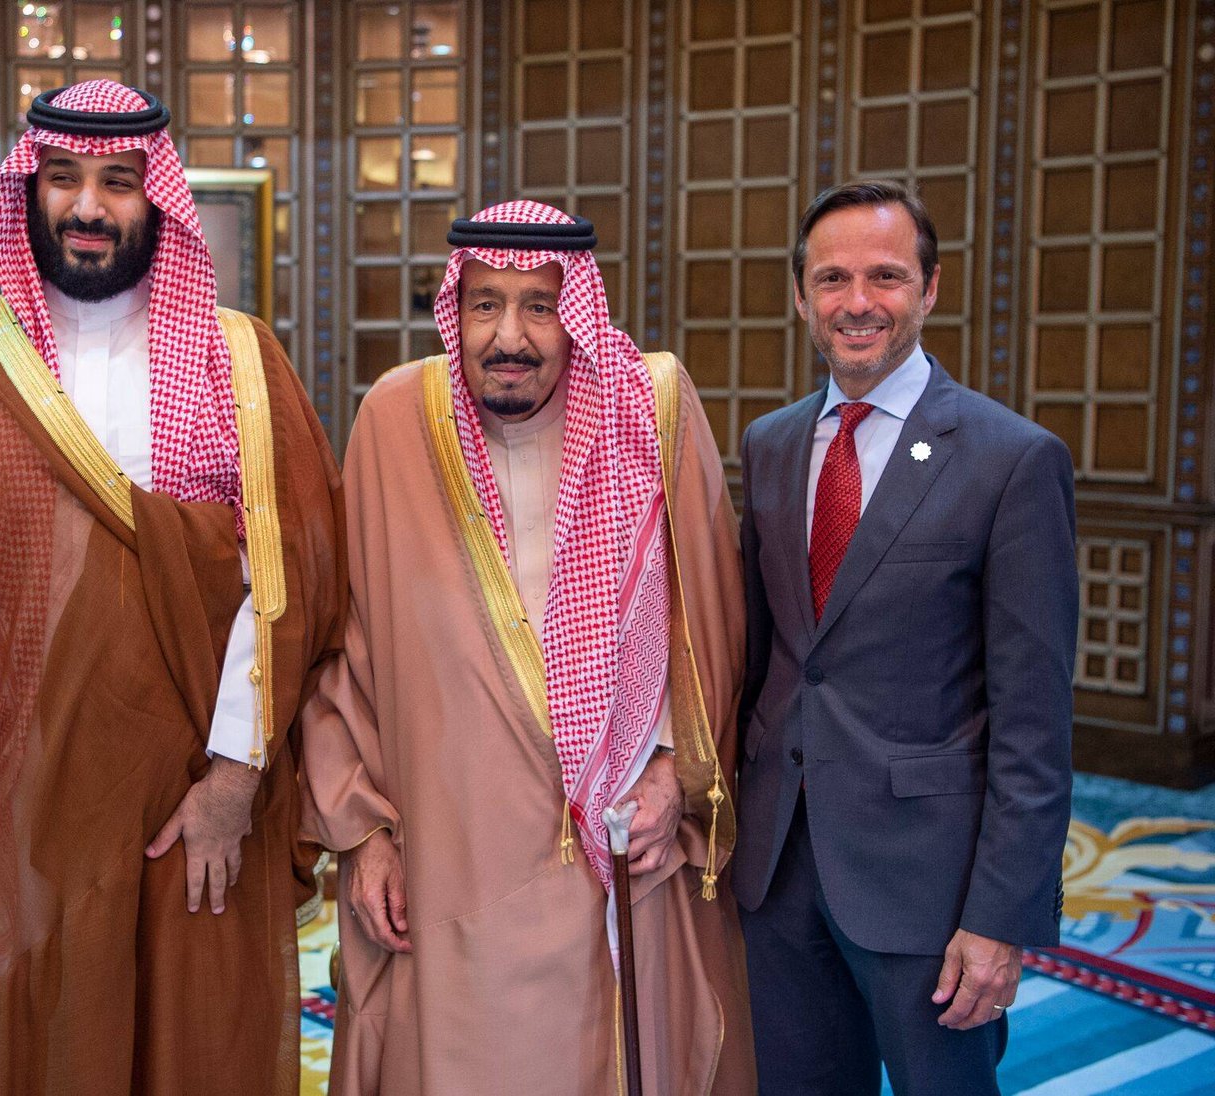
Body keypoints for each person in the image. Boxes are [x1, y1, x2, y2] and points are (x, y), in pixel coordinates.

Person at [0, 80, 344, 1094]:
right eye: (63, 178)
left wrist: (233, 784)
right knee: (21, 1052)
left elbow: (293, 580)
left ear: (159, 199)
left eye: (118, 181)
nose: (88, 206)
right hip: (8, 814)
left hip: (186, 804)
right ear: (28, 192)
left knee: (190, 1050)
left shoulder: (242, 364)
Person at [303, 200, 756, 1094]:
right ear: (453, 309)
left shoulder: (649, 410)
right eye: (484, 304)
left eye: (540, 306)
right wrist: (364, 834)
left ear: (576, 313)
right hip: (448, 849)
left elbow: (711, 623)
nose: (508, 336)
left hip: (623, 846)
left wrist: (678, 772)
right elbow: (342, 649)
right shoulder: (394, 421)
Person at [734, 180, 1078, 1094]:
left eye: (885, 276)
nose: (857, 302)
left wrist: (1001, 916)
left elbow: (1035, 721)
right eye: (832, 278)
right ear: (800, 296)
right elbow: (765, 660)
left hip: (930, 890)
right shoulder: (769, 446)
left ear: (929, 289)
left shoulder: (1012, 460)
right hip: (777, 869)